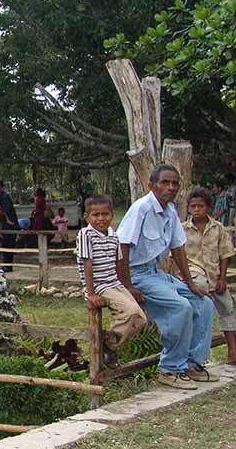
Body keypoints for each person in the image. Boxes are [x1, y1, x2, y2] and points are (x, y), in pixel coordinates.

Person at [117, 163, 217, 390]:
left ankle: (191, 364)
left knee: (203, 303)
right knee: (180, 307)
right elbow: (122, 246)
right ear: (152, 185)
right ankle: (170, 368)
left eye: (174, 183)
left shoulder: (170, 211)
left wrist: (190, 284)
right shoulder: (141, 208)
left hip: (155, 273)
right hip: (137, 275)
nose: (171, 187)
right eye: (165, 182)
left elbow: (178, 248)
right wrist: (128, 286)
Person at [76, 196, 147, 363]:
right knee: (130, 311)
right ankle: (107, 347)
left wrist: (127, 287)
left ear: (112, 215)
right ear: (87, 217)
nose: (101, 218)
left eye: (105, 214)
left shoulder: (113, 235)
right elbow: (87, 264)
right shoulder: (86, 234)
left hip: (114, 283)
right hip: (100, 285)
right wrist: (91, 294)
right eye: (96, 215)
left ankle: (108, 342)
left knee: (141, 319)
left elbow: (118, 263)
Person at [184, 187, 236, 364]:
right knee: (199, 309)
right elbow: (176, 255)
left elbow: (225, 254)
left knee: (228, 308)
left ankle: (232, 350)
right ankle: (196, 355)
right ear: (188, 208)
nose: (196, 210)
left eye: (200, 206)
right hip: (194, 277)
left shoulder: (218, 228)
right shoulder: (183, 229)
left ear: (208, 208)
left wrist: (222, 278)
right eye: (193, 206)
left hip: (214, 276)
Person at [0, 179, 18, 271]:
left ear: (2, 188)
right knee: (5, 245)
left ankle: (8, 266)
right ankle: (6, 265)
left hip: (10, 225)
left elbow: (4, 211)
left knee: (8, 245)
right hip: (5, 225)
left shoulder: (4, 197)